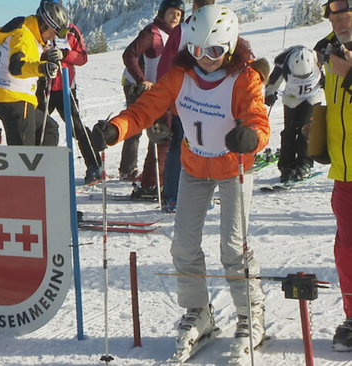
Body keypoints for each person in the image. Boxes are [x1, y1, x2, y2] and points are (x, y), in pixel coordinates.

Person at [91, 4, 269, 357]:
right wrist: (115, 129)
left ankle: (251, 314)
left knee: (233, 248)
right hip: (194, 166)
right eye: (198, 50)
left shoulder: (244, 78)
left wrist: (251, 137)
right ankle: (198, 311)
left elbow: (258, 120)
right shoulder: (179, 76)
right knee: (183, 247)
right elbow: (144, 109)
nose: (206, 59)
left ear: (230, 47)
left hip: (233, 167)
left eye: (215, 51)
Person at [314, 0, 352, 352]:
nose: (339, 22)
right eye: (334, 16)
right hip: (344, 172)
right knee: (347, 250)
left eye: (345, 14)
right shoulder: (329, 49)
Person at [119, 0, 184, 198]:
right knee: (156, 134)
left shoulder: (176, 35)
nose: (175, 18)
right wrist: (142, 80)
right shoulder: (153, 33)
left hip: (163, 92)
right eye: (172, 13)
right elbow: (129, 55)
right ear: (163, 13)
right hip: (145, 89)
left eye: (179, 14)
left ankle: (153, 181)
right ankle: (150, 183)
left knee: (161, 136)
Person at [156, 0, 216, 212]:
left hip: (201, 98)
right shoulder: (183, 30)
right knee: (184, 144)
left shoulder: (205, 30)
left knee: (200, 146)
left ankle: (189, 196)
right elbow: (165, 67)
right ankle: (173, 196)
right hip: (187, 98)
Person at [0, 0, 69, 146]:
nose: (52, 37)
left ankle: (41, 167)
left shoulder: (30, 34)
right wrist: (41, 68)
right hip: (13, 98)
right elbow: (16, 67)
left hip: (10, 97)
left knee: (49, 128)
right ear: (44, 24)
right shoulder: (24, 36)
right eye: (51, 33)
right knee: (24, 153)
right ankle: (31, 168)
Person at [38, 19, 100, 184]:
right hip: (42, 87)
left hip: (66, 86)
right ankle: (38, 169)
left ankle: (94, 166)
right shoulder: (38, 27)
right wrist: (42, 53)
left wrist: (64, 54)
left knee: (77, 127)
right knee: (39, 128)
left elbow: (82, 57)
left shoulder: (71, 30)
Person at [265, 45, 324, 182]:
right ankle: (286, 166)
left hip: (313, 97)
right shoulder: (283, 62)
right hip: (291, 98)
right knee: (289, 131)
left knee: (307, 130)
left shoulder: (318, 58)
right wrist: (269, 94)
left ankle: (305, 163)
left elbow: (329, 76)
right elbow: (273, 81)